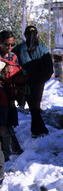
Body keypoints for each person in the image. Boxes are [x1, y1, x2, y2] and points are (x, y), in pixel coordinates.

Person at [14, 25, 53, 138]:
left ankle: (38, 130)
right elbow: (49, 68)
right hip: (38, 82)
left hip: (25, 83)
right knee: (35, 107)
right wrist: (42, 79)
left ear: (25, 35)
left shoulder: (18, 49)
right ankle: (38, 130)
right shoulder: (43, 48)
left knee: (33, 107)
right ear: (37, 35)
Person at [0, 30, 23, 160]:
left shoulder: (13, 56)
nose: (9, 47)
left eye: (12, 44)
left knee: (8, 122)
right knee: (3, 123)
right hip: (1, 94)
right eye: (6, 44)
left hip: (10, 94)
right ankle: (8, 152)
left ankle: (10, 150)